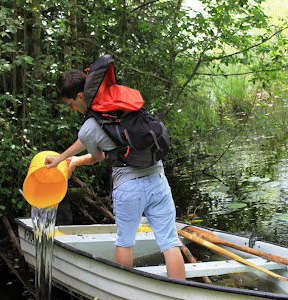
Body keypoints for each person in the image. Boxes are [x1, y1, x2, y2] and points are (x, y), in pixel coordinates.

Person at [45, 69, 186, 280]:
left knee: (125, 243)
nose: (71, 108)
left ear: (81, 96)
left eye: (70, 103)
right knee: (170, 243)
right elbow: (96, 155)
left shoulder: (89, 127)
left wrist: (60, 159)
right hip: (158, 181)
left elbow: (97, 155)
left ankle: (125, 293)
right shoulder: (124, 105)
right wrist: (74, 160)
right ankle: (180, 297)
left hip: (128, 188)